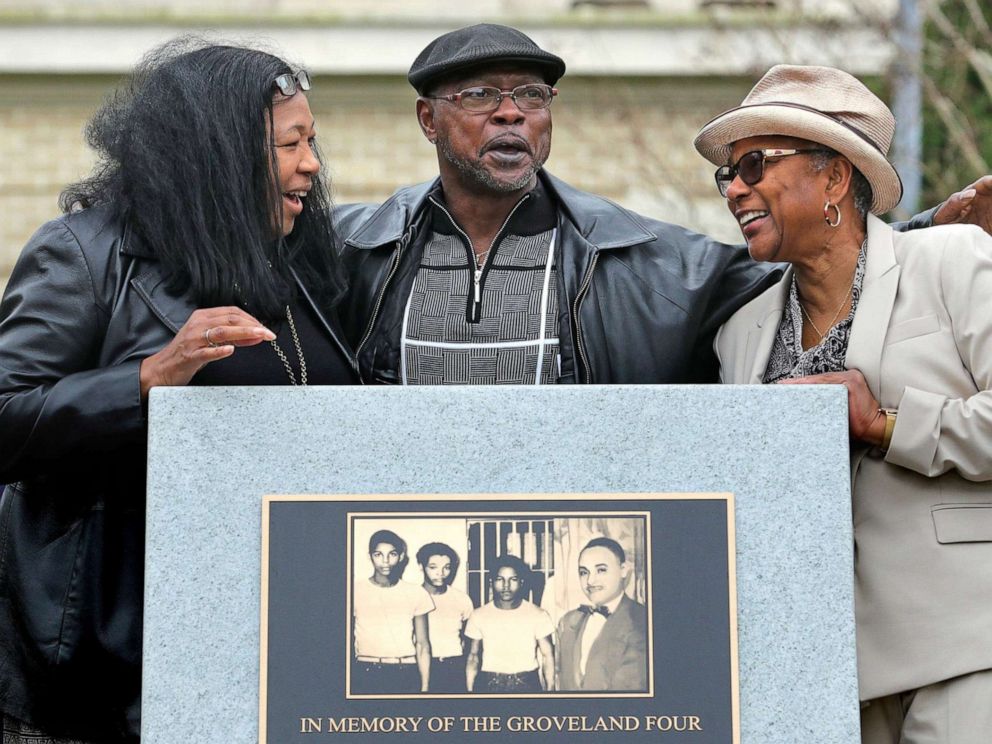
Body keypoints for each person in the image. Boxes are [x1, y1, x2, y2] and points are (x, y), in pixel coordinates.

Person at [0, 40, 354, 742]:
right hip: (113, 670)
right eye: (290, 145)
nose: (312, 164)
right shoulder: (86, 255)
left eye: (311, 141)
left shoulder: (296, 267)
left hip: (274, 652)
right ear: (221, 154)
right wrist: (145, 379)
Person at [334, 23, 992, 387]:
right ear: (428, 119)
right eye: (481, 95)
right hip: (401, 543)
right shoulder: (350, 250)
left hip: (567, 549)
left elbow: (802, 263)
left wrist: (926, 227)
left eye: (531, 96)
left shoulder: (641, 260)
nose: (512, 112)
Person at [697, 65, 992, 744]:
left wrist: (887, 424)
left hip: (964, 647)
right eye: (728, 175)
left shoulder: (950, 261)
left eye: (755, 164)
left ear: (834, 179)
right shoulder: (740, 335)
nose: (735, 188)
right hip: (822, 671)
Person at [556, 537, 648, 692]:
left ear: (623, 570)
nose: (590, 581)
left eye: (601, 570)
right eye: (584, 572)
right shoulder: (568, 621)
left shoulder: (643, 621)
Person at [352, 530, 433, 694]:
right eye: (378, 554)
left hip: (405, 671)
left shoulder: (416, 593)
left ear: (401, 556)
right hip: (366, 670)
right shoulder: (353, 591)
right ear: (370, 556)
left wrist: (425, 688)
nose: (385, 561)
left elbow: (423, 644)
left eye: (392, 554)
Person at [465, 555, 554, 693]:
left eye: (513, 579)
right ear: (492, 582)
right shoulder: (478, 615)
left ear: (521, 582)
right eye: (500, 579)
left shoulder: (538, 614)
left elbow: (548, 654)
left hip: (527, 683)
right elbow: (473, 656)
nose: (506, 586)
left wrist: (550, 689)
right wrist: (469, 691)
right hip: (490, 683)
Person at [415, 542, 475, 693]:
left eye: (446, 567)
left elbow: (469, 639)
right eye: (433, 567)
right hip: (419, 668)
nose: (440, 573)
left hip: (454, 668)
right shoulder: (411, 597)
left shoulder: (462, 599)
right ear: (421, 567)